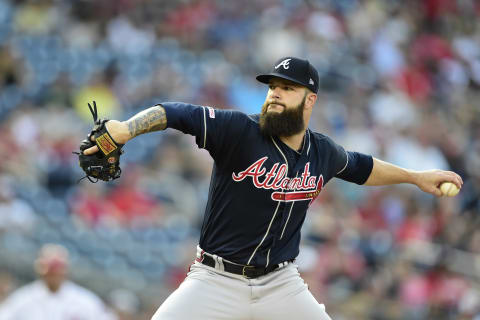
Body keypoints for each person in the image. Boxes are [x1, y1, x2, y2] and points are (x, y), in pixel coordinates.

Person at [82, 56, 463, 320]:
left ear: (310, 100)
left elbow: (362, 167)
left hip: (281, 283)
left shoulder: (323, 152)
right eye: (273, 87)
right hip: (216, 279)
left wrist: (415, 177)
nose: (276, 93)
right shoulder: (239, 131)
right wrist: (127, 129)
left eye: (288, 88)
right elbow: (176, 113)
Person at [0, 244, 116, 320]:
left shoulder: (85, 300)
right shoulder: (22, 299)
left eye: (57, 268)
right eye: (49, 269)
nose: (53, 274)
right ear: (40, 269)